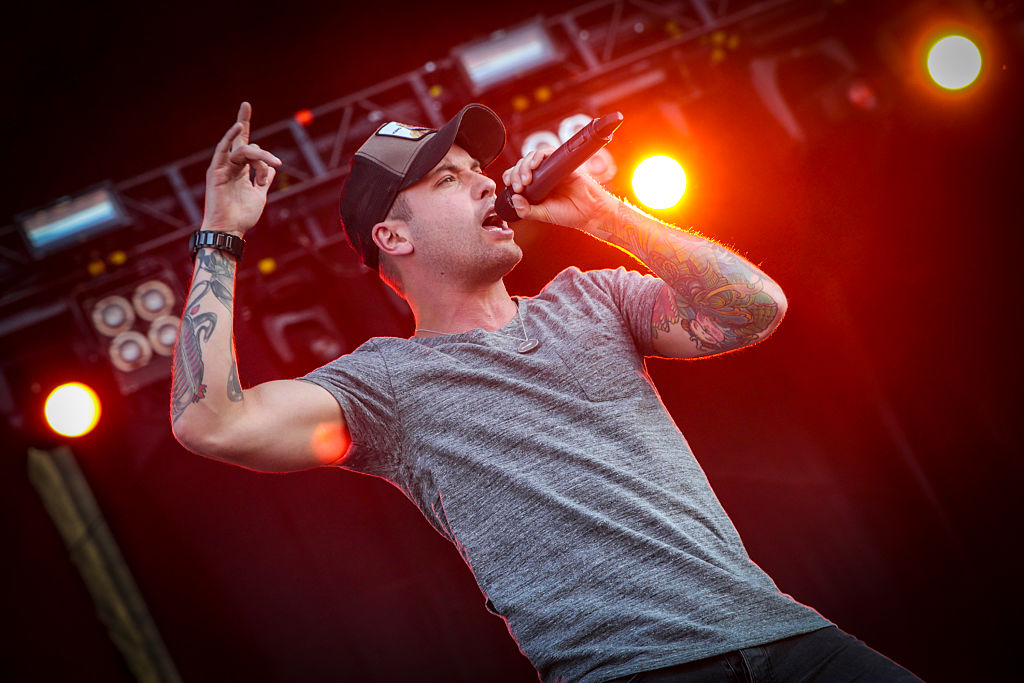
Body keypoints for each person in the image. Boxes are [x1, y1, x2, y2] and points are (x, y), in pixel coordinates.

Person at [171, 102, 920, 682]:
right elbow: (210, 422)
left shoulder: (593, 298)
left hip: (781, 634)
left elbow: (754, 309)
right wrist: (221, 231)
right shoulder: (384, 383)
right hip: (631, 670)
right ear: (393, 239)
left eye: (478, 168)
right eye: (449, 178)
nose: (487, 181)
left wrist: (601, 214)